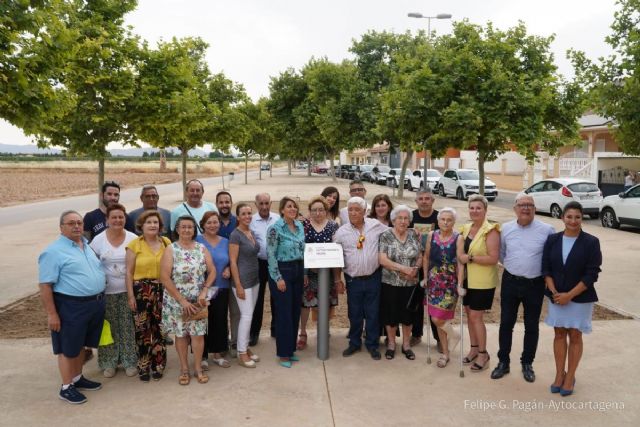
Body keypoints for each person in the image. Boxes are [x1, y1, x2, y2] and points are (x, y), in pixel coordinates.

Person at [38, 210, 106, 404]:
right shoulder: (53, 252)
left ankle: (77, 378)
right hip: (70, 306)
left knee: (80, 344)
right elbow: (45, 285)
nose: (77, 226)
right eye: (71, 223)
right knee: (67, 347)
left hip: (93, 304)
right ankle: (66, 387)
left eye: (79, 222)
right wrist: (52, 314)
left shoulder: (86, 245)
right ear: (61, 227)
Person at [491, 194, 555, 383]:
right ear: (515, 208)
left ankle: (527, 363)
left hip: (535, 285)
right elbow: (502, 253)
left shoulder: (547, 230)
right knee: (506, 323)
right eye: (522, 205)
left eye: (530, 205)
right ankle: (503, 362)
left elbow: (550, 257)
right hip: (510, 281)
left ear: (535, 209)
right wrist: (515, 267)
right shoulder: (506, 229)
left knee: (531, 325)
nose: (526, 208)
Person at [543, 201, 602, 396]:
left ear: (582, 218)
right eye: (569, 216)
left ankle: (570, 377)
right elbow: (546, 268)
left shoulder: (591, 242)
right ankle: (559, 374)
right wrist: (555, 292)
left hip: (580, 297)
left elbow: (591, 274)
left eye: (577, 217)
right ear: (562, 218)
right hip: (556, 296)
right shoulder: (552, 240)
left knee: (575, 335)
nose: (573, 221)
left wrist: (569, 295)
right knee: (559, 334)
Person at [160, 216, 216, 385]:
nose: (186, 230)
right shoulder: (171, 249)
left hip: (197, 301)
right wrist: (182, 301)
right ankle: (184, 369)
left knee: (198, 335)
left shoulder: (201, 248)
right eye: (183, 227)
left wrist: (205, 290)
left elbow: (212, 271)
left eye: (190, 227)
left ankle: (198, 368)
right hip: (177, 300)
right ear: (177, 229)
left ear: (194, 230)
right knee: (181, 335)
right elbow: (164, 277)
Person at [334, 196, 388, 360]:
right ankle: (354, 343)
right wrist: (337, 279)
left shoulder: (375, 225)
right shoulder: (341, 232)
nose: (353, 213)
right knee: (355, 313)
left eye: (357, 209)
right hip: (353, 280)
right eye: (350, 209)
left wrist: (412, 231)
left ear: (364, 211)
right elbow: (336, 257)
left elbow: (392, 232)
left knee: (373, 313)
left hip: (373, 278)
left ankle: (372, 345)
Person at [89, 204, 138, 378]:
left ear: (125, 219)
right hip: (105, 293)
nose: (118, 220)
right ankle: (109, 362)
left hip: (128, 291)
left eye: (121, 217)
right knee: (108, 327)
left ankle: (129, 361)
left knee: (127, 326)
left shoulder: (133, 239)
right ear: (107, 220)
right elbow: (91, 265)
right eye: (114, 217)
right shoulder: (98, 240)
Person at [125, 210, 171, 382]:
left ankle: (158, 364)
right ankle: (143, 366)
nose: (153, 225)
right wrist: (131, 296)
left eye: (155, 222)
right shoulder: (134, 245)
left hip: (162, 290)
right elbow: (128, 273)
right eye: (149, 222)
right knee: (142, 330)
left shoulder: (166, 243)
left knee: (160, 329)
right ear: (141, 226)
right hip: (141, 291)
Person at [458, 194, 500, 373]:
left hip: (483, 282)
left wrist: (470, 258)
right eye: (472, 208)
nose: (474, 211)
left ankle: (483, 354)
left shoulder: (491, 230)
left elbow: (493, 258)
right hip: (467, 280)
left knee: (476, 317)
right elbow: (459, 254)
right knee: (469, 316)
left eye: (478, 208)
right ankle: (474, 349)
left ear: (485, 210)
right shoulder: (466, 228)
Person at [378, 205, 422, 361]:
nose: (403, 221)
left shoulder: (414, 234)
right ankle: (391, 344)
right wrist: (404, 269)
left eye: (406, 218)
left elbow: (420, 256)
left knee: (408, 315)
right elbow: (382, 260)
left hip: (410, 283)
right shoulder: (386, 235)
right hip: (390, 283)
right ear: (393, 220)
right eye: (400, 218)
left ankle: (406, 345)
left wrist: (415, 269)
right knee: (391, 315)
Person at [267, 197, 306, 368]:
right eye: (289, 206)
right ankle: (283, 354)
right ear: (282, 210)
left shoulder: (299, 226)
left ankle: (290, 350)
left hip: (298, 269)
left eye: (294, 206)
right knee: (284, 314)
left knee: (295, 311)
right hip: (283, 271)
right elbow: (271, 255)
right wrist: (278, 278)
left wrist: (304, 272)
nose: (293, 209)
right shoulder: (275, 229)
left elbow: (303, 251)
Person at [423, 208, 464, 368]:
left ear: (454, 222)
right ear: (438, 221)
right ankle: (445, 354)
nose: (446, 222)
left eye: (449, 220)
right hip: (433, 282)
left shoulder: (458, 238)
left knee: (438, 319)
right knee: (438, 319)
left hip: (449, 284)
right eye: (443, 219)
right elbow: (426, 257)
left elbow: (460, 262)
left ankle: (454, 335)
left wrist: (459, 284)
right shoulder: (431, 235)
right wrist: (425, 277)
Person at [298, 196, 340, 350]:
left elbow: (337, 249)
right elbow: (301, 250)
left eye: (321, 210)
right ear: (310, 211)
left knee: (325, 303)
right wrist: (304, 272)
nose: (318, 213)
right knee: (305, 304)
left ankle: (323, 330)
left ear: (326, 211)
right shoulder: (304, 225)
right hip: (308, 274)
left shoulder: (333, 226)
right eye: (314, 210)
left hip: (327, 273)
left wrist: (337, 277)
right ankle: (303, 332)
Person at [196, 211, 232, 369]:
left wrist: (229, 269)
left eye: (215, 222)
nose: (212, 225)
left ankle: (217, 354)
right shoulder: (197, 241)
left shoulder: (225, 241)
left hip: (221, 287)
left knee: (219, 320)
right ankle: (202, 356)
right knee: (201, 322)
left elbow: (231, 261)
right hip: (201, 288)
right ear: (203, 225)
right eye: (209, 222)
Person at [229, 203, 262, 368]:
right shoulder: (235, 235)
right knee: (246, 316)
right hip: (243, 281)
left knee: (249, 315)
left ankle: (245, 347)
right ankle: (241, 353)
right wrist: (238, 285)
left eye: (249, 213)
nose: (247, 216)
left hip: (254, 279)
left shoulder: (251, 232)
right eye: (244, 214)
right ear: (238, 217)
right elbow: (233, 262)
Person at [409, 189, 440, 348]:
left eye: (427, 198)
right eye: (420, 198)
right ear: (416, 201)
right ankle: (416, 334)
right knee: (416, 302)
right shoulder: (410, 217)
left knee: (435, 304)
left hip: (435, 266)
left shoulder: (440, 217)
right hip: (415, 265)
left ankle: (440, 339)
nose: (424, 201)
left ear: (432, 201)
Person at [249, 193, 280, 346]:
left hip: (275, 264)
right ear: (256, 204)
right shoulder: (251, 220)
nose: (264, 206)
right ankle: (254, 332)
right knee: (257, 298)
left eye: (267, 203)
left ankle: (276, 329)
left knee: (276, 297)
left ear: (271, 203)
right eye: (261, 203)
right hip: (258, 263)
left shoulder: (278, 219)